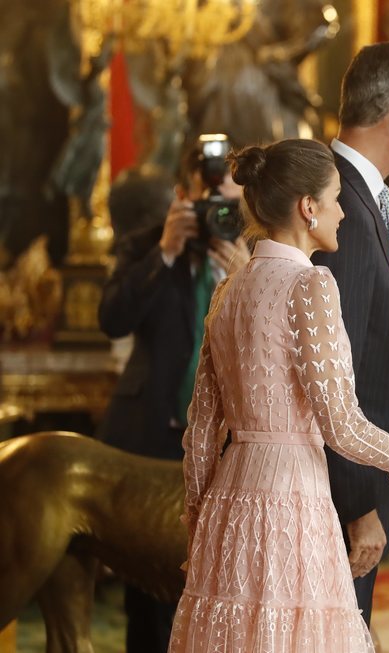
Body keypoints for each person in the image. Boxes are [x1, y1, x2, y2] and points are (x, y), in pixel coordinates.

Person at [167, 138, 389, 653]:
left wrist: (201, 522)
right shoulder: (310, 284)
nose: (342, 212)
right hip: (291, 498)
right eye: (337, 198)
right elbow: (340, 423)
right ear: (308, 207)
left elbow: (202, 432)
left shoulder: (230, 289)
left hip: (230, 502)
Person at [98, 143, 251, 653]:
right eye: (206, 194)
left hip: (231, 445)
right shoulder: (146, 245)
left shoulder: (259, 255)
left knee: (222, 585)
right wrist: (163, 252)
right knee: (148, 590)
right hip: (153, 435)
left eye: (228, 193)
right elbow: (113, 319)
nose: (217, 207)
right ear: (182, 194)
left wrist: (248, 277)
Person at [309, 41, 389, 625]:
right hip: (341, 498)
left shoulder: (354, 196)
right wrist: (360, 502)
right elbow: (341, 373)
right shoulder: (343, 211)